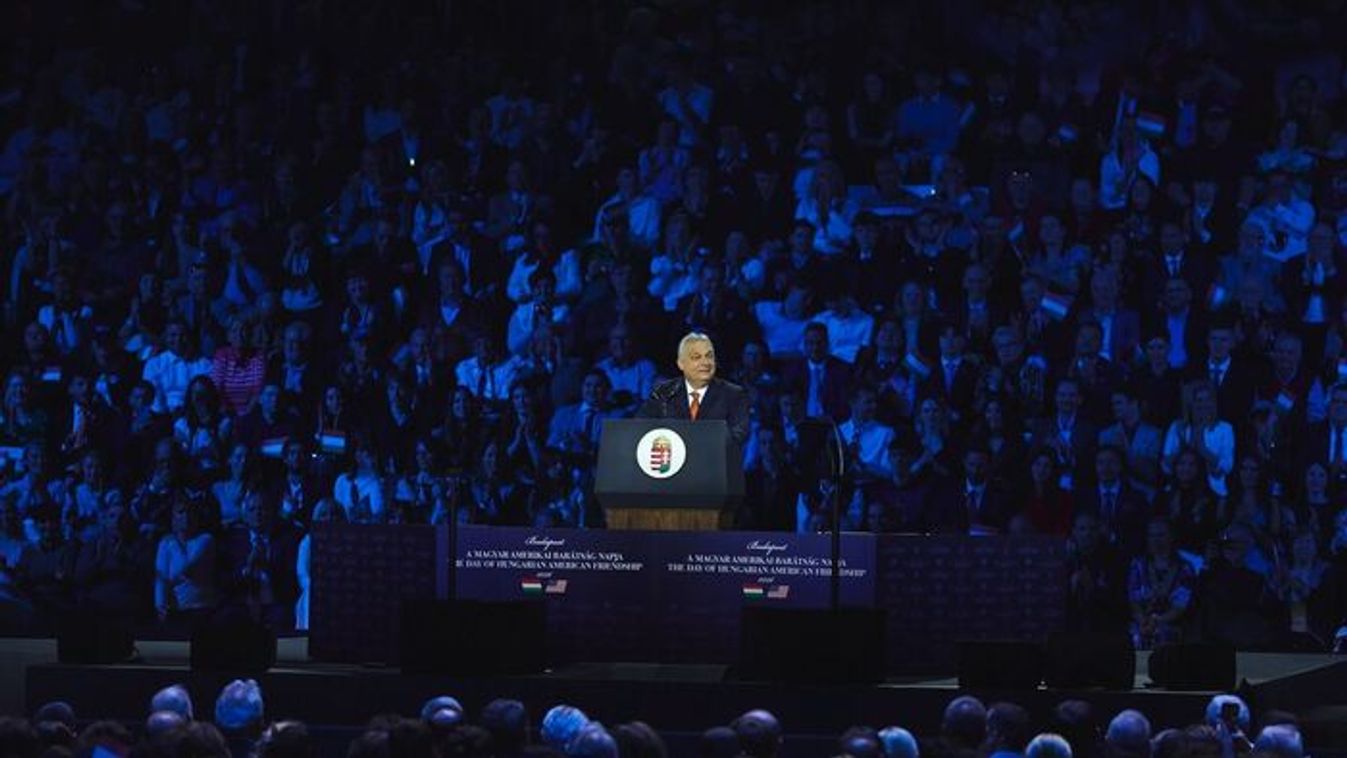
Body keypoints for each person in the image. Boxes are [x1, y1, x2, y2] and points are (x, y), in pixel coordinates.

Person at [639, 332, 751, 448]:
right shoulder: (664, 392)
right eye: (695, 357)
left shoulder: (734, 395)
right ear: (681, 363)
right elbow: (641, 424)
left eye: (708, 356)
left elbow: (739, 435)